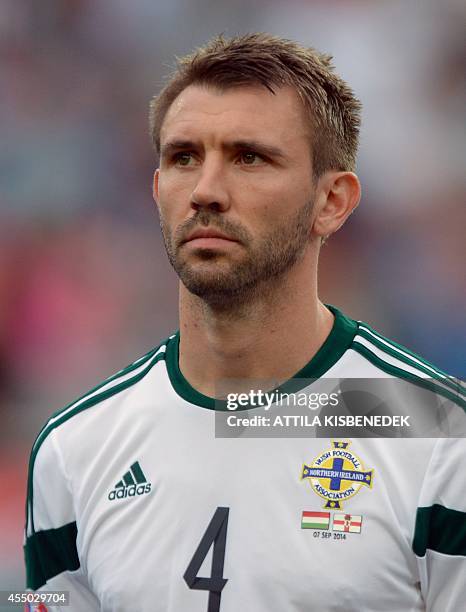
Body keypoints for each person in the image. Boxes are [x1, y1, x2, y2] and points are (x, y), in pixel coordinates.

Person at [24, 33, 465, 611]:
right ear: (157, 190)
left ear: (331, 201)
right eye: (183, 158)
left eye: (249, 157)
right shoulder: (73, 450)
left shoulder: (441, 434)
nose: (206, 190)